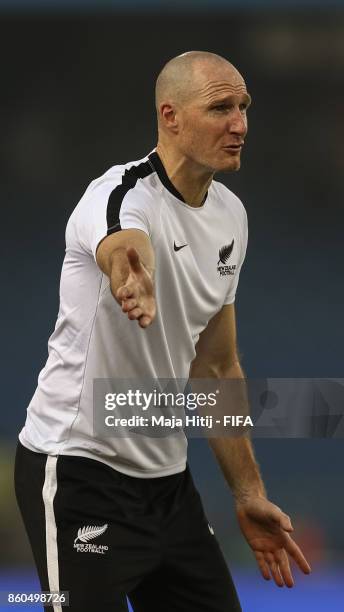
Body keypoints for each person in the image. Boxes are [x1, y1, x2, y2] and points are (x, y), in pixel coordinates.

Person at [15, 51, 311, 612]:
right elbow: (124, 245)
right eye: (221, 107)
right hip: (78, 474)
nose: (241, 123)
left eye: (244, 106)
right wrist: (133, 276)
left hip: (168, 487)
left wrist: (248, 494)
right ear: (170, 116)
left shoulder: (232, 217)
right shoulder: (118, 195)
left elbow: (217, 366)